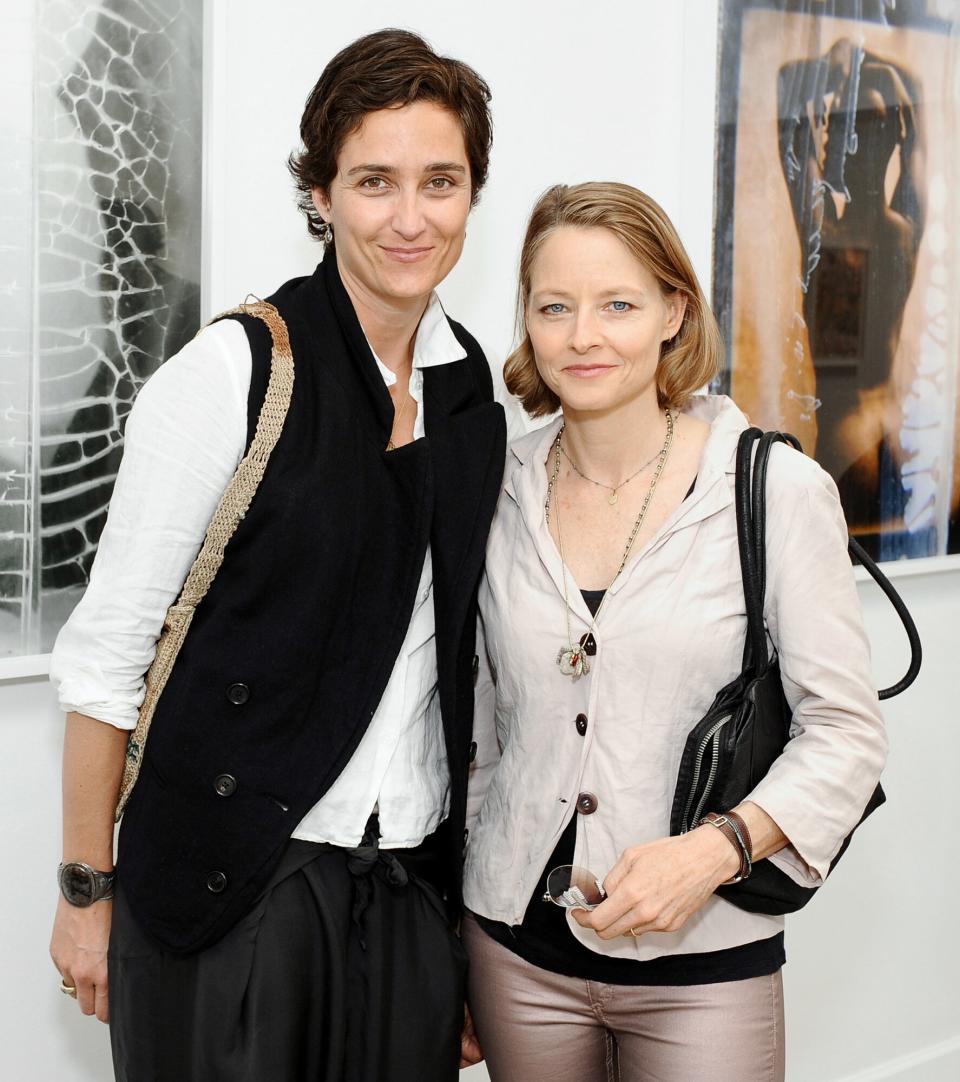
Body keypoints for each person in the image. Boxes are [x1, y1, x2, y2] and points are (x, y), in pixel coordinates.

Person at [49, 28, 514, 1082]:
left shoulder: (467, 387)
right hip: (229, 891)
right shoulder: (231, 374)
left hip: (405, 887)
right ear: (320, 193)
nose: (410, 217)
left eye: (440, 181)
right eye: (374, 181)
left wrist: (451, 934)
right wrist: (87, 893)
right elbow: (107, 658)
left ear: (472, 196)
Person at [462, 182, 887, 1082]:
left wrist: (712, 851)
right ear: (528, 322)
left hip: (705, 962)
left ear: (673, 312)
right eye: (555, 307)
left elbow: (846, 733)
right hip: (514, 954)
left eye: (618, 304)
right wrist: (455, 942)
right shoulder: (491, 489)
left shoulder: (772, 491)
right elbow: (480, 732)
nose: (584, 335)